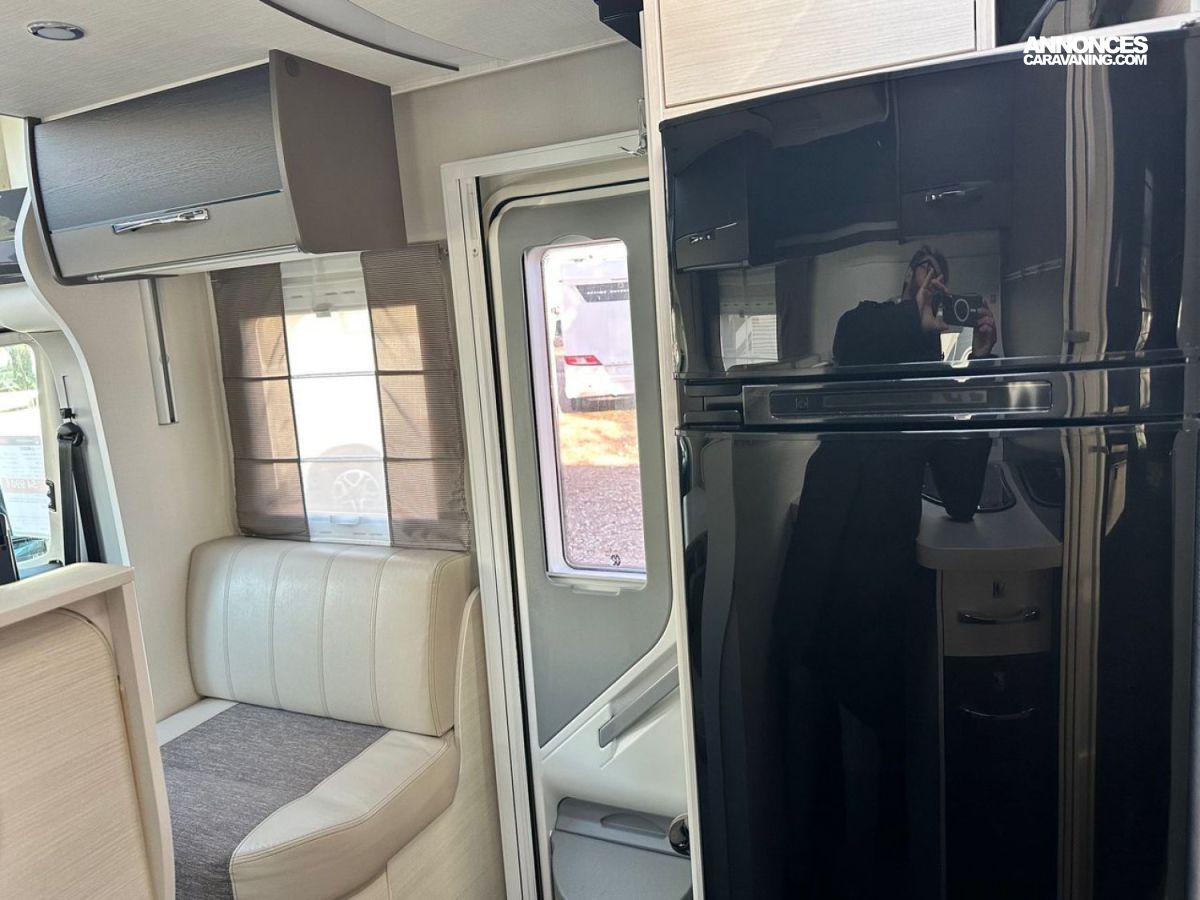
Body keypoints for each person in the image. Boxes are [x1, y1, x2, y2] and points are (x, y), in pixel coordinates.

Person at [775, 246, 997, 898]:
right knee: (808, 766)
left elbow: (961, 494)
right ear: (907, 281)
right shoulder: (873, 324)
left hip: (875, 589)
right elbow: (850, 338)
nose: (934, 283)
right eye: (925, 270)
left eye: (943, 277)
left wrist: (975, 363)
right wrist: (914, 317)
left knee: (874, 759)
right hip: (820, 571)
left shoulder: (938, 366)